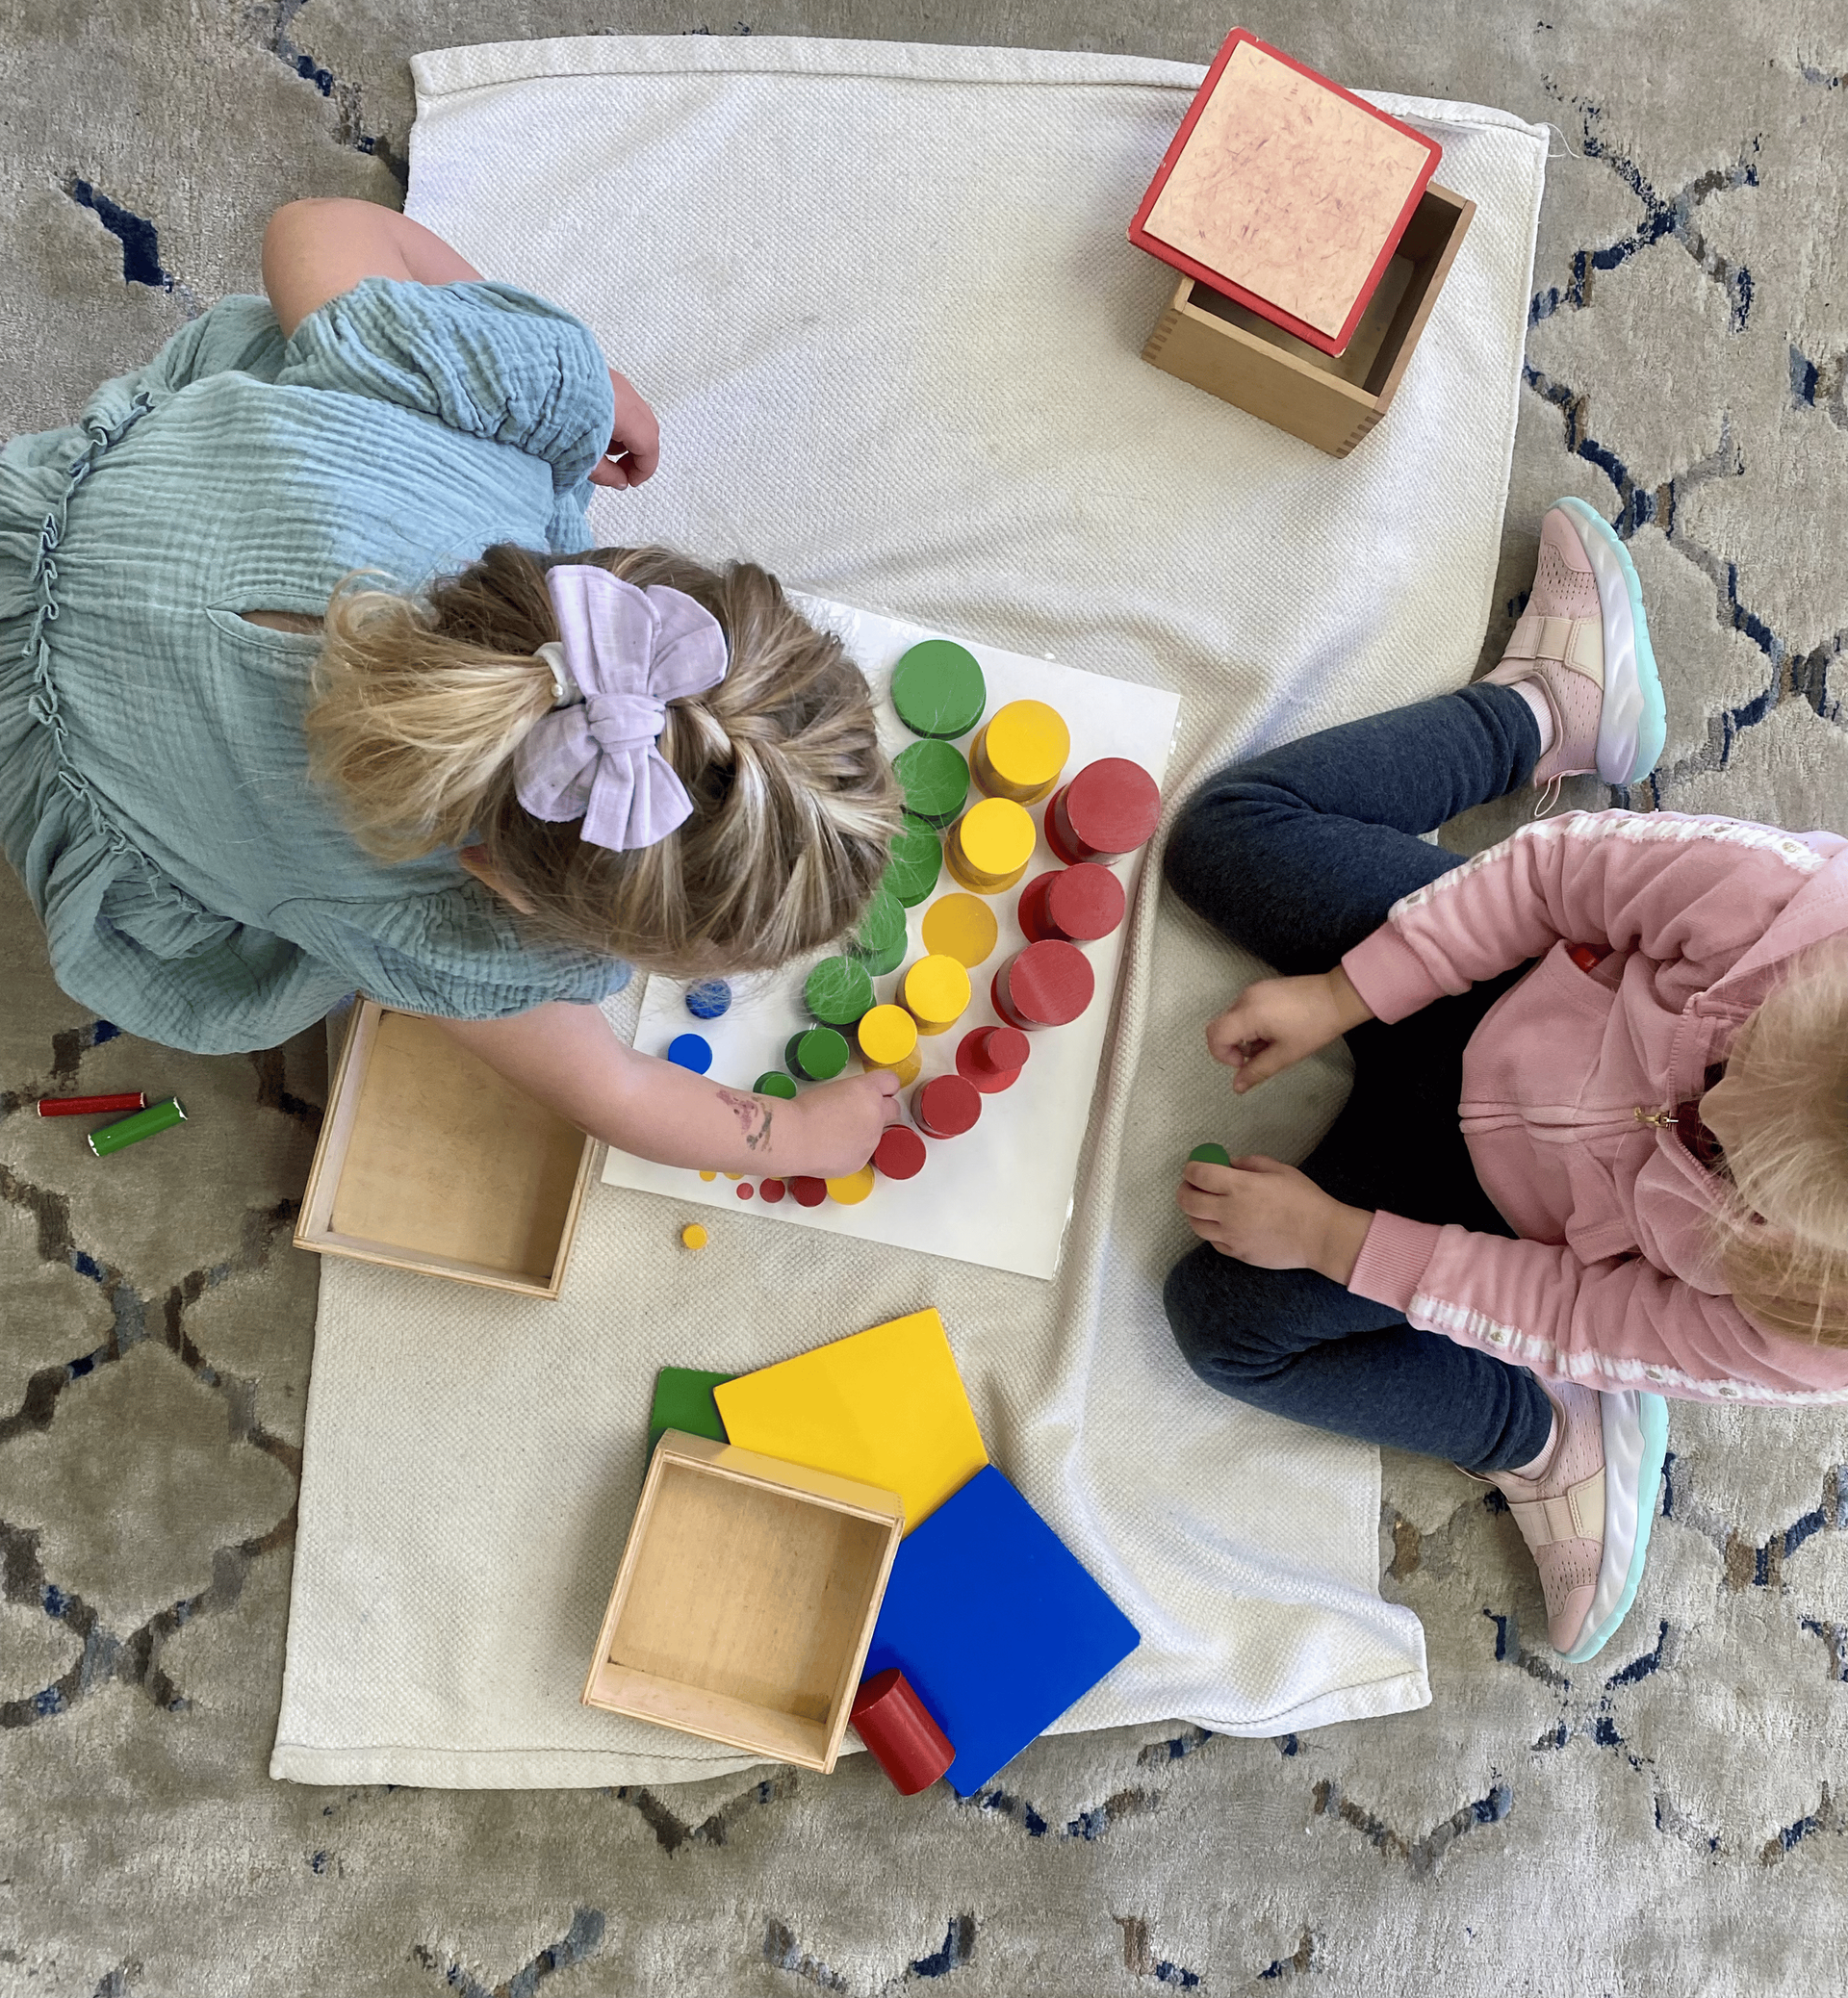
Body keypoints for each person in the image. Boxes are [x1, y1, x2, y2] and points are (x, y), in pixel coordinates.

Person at [1, 198, 903, 1177]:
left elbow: (311, 228)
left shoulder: (459, 421)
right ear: (504, 886)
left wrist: (581, 382)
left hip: (60, 513)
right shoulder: (453, 933)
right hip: (68, 737)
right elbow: (616, 1090)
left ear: (630, 579)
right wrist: (801, 1139)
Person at [1161, 498, 1848, 1663]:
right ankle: (1548, 713)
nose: (1705, 1115)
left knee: (1221, 1329)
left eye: (1729, 1166)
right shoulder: (1805, 914)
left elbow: (1574, 1309)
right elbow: (1561, 877)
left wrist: (1335, 1240)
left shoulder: (1817, 1334)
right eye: (1733, 1064)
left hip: (1503, 1225)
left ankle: (1537, 1433)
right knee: (1222, 838)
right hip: (1504, 982)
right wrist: (1349, 991)